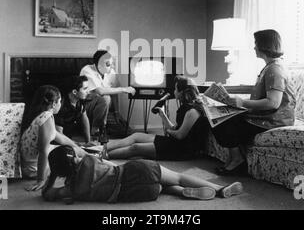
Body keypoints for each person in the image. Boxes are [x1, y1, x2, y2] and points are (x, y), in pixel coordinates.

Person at [211, 29, 296, 175]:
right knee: (217, 116)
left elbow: (273, 103)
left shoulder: (275, 69)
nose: (254, 47)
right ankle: (233, 159)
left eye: (256, 43)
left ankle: (237, 161)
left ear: (264, 45)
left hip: (274, 119)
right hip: (265, 116)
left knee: (224, 121)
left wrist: (242, 103)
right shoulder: (270, 67)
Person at [42, 145, 243, 203]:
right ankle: (219, 189)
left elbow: (48, 195)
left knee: (162, 188)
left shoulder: (73, 190)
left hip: (134, 195)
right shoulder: (88, 159)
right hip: (135, 172)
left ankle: (181, 192)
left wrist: (52, 176)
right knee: (177, 175)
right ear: (75, 157)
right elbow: (106, 160)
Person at [105, 75, 210, 160]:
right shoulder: (185, 107)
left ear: (182, 92)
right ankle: (102, 148)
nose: (174, 92)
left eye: (175, 89)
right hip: (174, 142)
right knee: (136, 136)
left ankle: (103, 155)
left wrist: (168, 131)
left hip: (182, 149)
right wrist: (163, 115)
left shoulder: (193, 111)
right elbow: (175, 129)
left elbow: (179, 135)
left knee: (135, 148)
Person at [20, 85, 85, 191]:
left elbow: (61, 138)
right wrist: (41, 179)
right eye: (59, 101)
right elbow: (43, 151)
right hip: (34, 168)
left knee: (76, 150)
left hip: (29, 166)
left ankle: (93, 155)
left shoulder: (39, 115)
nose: (60, 104)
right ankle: (95, 159)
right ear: (54, 104)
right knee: (72, 156)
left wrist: (78, 146)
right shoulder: (46, 117)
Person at [80, 50, 135, 143]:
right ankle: (97, 130)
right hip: (87, 108)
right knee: (106, 97)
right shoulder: (87, 70)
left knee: (128, 132)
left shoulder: (111, 72)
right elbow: (100, 91)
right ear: (99, 65)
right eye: (108, 64)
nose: (112, 66)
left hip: (105, 111)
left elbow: (114, 93)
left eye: (112, 63)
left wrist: (117, 112)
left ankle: (103, 127)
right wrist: (123, 89)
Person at [54, 75, 91, 144]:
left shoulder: (81, 100)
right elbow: (59, 136)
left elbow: (85, 118)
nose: (88, 92)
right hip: (57, 144)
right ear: (74, 92)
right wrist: (77, 145)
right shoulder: (61, 107)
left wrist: (88, 142)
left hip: (69, 141)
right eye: (85, 89)